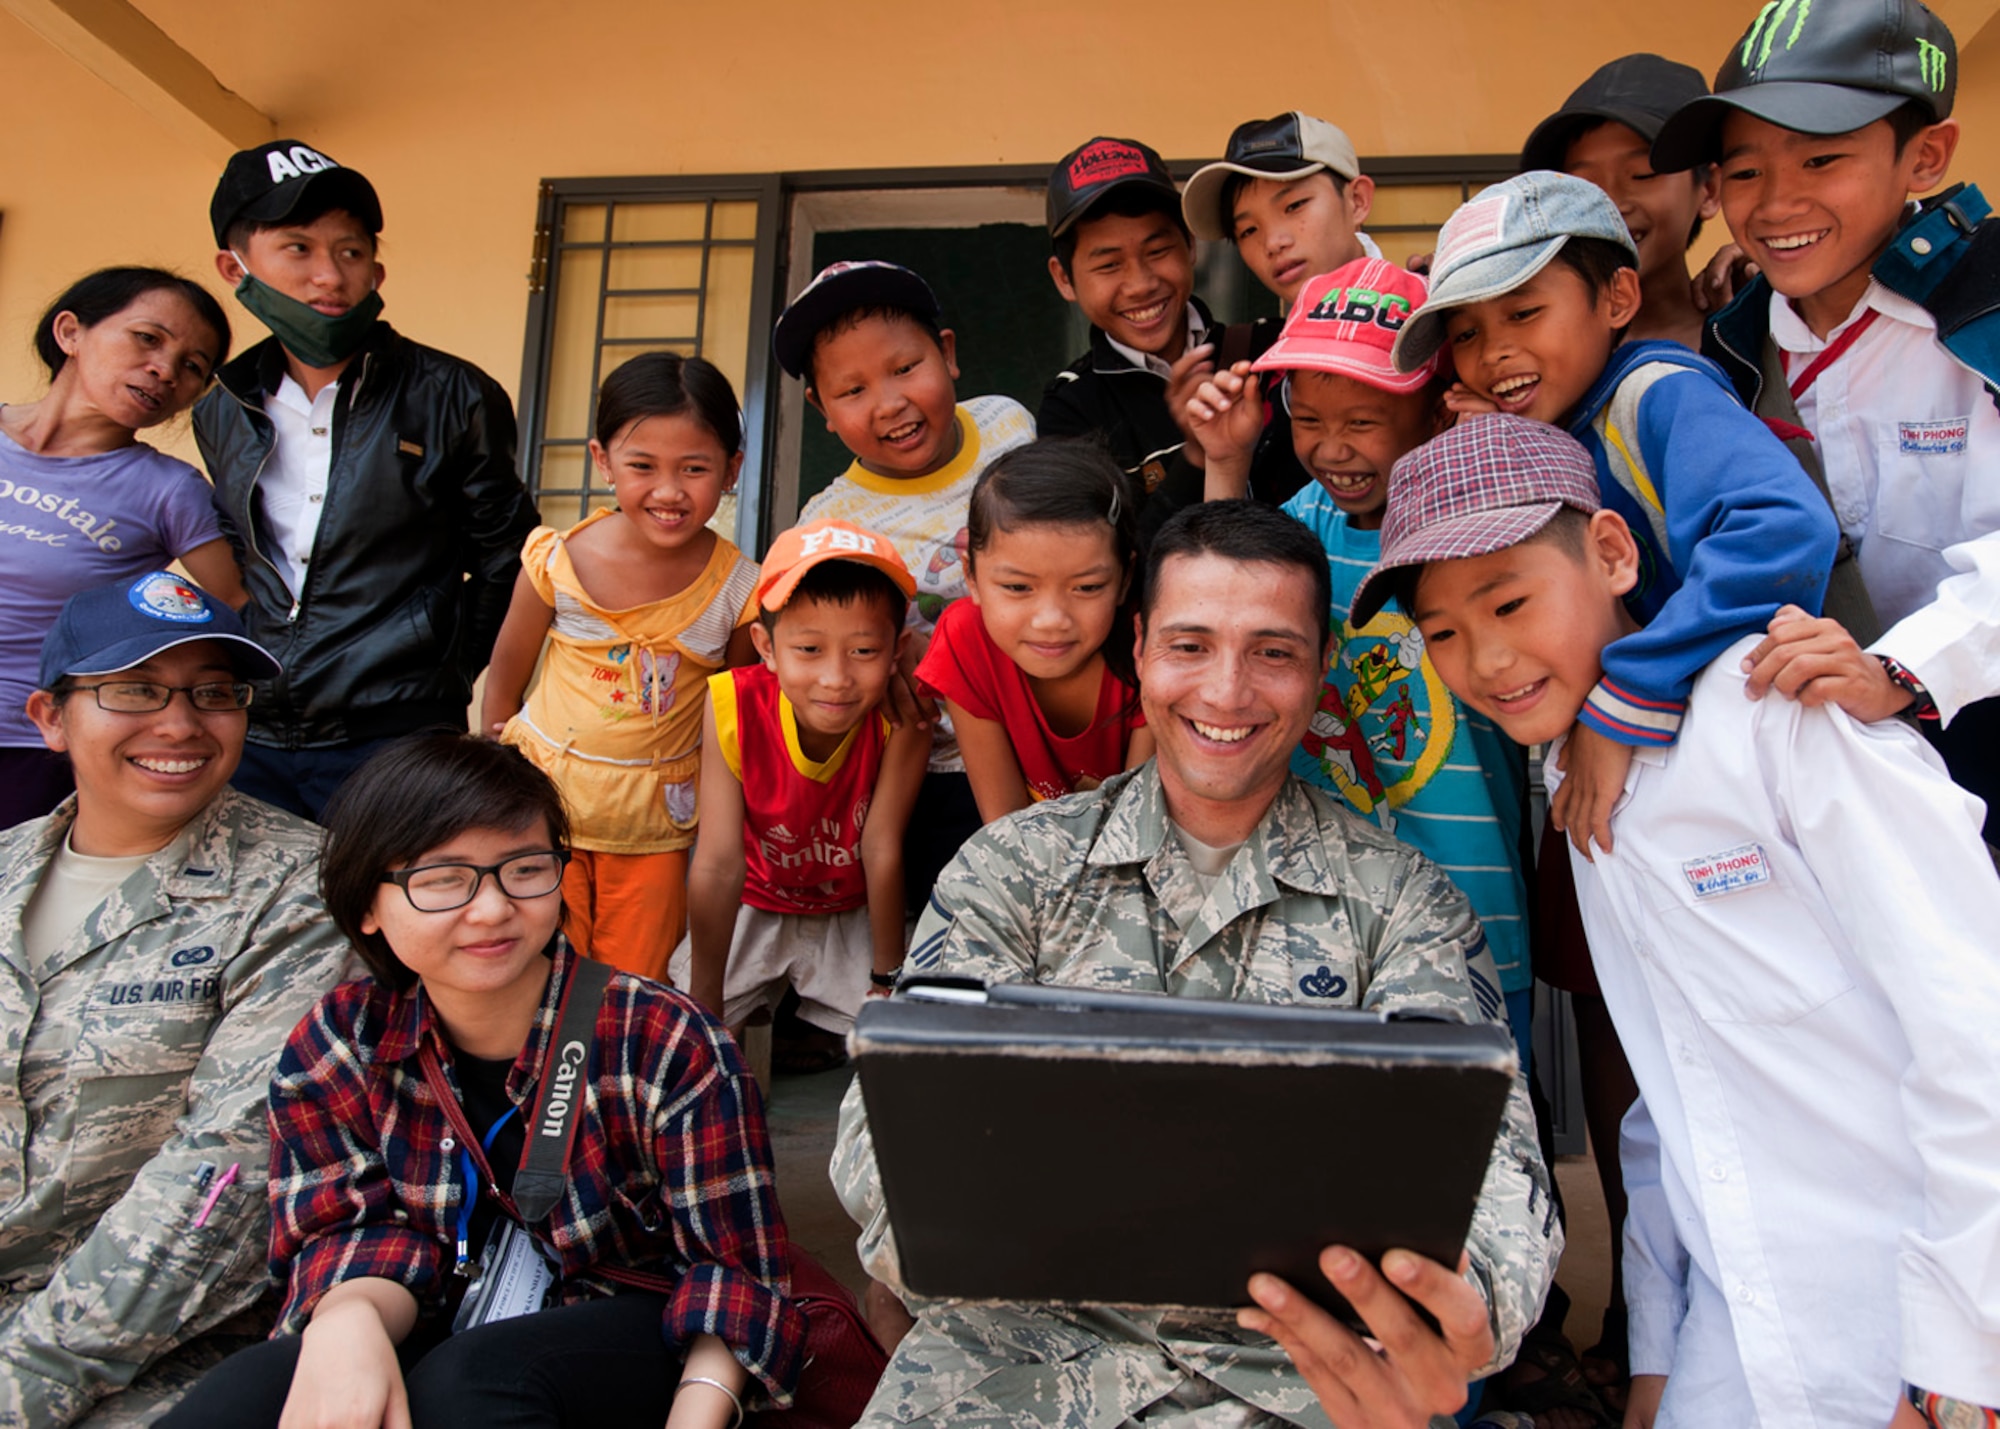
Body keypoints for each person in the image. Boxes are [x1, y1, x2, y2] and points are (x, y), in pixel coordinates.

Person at [831, 500, 1560, 1428]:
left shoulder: (1406, 903)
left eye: (1273, 651)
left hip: (1306, 1389)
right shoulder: (1011, 870)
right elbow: (889, 1135)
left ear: (1321, 667)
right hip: (1008, 1381)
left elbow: (1497, 1172)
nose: (1227, 691)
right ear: (1137, 651)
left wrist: (1464, 1306)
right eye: (1190, 645)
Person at [1354, 413, 2000, 1429]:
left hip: (1925, 1334)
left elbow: (1973, 1024)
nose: (1483, 657)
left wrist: (1964, 1364)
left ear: (1612, 552)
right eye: (1439, 633)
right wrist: (1653, 1349)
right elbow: (1671, 1085)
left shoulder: (1774, 712)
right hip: (1743, 1342)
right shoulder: (1580, 790)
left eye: (1510, 601)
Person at [161, 733, 806, 1429]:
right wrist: (347, 1318)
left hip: (636, 1336)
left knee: (475, 1384)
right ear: (368, 905)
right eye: (443, 878)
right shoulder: (339, 1042)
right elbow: (345, 1229)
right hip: (430, 1306)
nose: (493, 908)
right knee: (242, 1396)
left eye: (525, 869)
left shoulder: (665, 1039)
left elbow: (735, 1276)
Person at [1389, 169, 1840, 858]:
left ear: (1619, 297)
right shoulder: (1565, 429)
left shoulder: (1656, 396)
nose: (1495, 352)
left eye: (1523, 312)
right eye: (1467, 334)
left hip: (1765, 755)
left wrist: (1628, 697)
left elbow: (1782, 529)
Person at [0, 572, 348, 1426]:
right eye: (135, 689)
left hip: (142, 1363)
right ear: (50, 716)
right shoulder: (6, 867)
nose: (181, 722)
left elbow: (223, 1175)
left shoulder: (302, 891)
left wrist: (20, 1384)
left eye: (214, 693)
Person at [1650, 0, 2000, 845]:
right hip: (1849, 777)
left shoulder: (1987, 305)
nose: (1775, 204)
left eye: (1821, 158)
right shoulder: (1733, 347)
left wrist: (1902, 669)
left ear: (1926, 155)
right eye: (1743, 172)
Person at [1190, 260, 1533, 1067]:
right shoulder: (1296, 530)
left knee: (1483, 1135)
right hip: (1320, 922)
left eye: (1363, 421)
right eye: (1306, 419)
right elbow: (1217, 601)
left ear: (1435, 401)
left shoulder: (1482, 520)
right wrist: (1227, 465)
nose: (1330, 449)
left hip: (1474, 912)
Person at [195, 139, 539, 821]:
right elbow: (240, 555)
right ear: (235, 267)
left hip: (394, 733)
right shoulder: (221, 405)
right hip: (254, 729)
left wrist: (444, 679)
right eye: (297, 248)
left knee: (386, 921)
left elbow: (511, 559)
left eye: (349, 252)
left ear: (376, 270)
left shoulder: (453, 394)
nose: (329, 275)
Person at [481, 353, 759, 980]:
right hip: (539, 815)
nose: (669, 491)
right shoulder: (558, 562)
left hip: (655, 827)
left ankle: (616, 1081)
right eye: (642, 466)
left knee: (633, 982)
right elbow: (504, 678)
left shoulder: (738, 590)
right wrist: (492, 777)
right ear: (602, 461)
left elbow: (730, 719)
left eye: (695, 469)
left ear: (732, 469)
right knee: (535, 969)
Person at [774, 259, 1036, 909]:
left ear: (946, 354)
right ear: (822, 409)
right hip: (935, 771)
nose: (890, 403)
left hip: (1047, 745)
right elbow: (811, 654)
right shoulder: (831, 523)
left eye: (903, 368)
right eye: (853, 390)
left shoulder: (1010, 427)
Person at [0, 268, 247, 827]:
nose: (165, 371)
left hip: (27, 750)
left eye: (192, 368)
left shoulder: (169, 490)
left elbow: (241, 610)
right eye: (147, 338)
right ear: (70, 332)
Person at [675, 518, 930, 1049]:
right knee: (692, 1033)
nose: (836, 678)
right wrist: (705, 1000)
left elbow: (880, 846)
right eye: (809, 650)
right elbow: (719, 861)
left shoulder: (902, 716)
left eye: (863, 651)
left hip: (852, 907)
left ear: (897, 648)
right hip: (756, 900)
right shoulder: (731, 704)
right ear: (766, 647)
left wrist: (887, 980)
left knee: (895, 1041)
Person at [916, 440, 1153, 822]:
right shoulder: (966, 638)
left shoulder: (1150, 643)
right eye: (1018, 587)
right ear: (970, 576)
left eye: (1088, 588)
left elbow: (1138, 826)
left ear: (1125, 579)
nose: (1051, 620)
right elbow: (1004, 825)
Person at [1174, 112, 1385, 511]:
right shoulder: (1249, 369)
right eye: (1249, 231)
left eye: (1295, 205)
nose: (1274, 242)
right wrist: (1224, 459)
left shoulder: (1431, 326)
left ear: (1357, 200)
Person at [1036, 136, 1211, 545]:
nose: (1141, 284)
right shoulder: (1071, 409)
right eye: (1109, 264)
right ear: (1064, 278)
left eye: (1158, 250)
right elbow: (1104, 561)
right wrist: (1199, 456)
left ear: (1190, 246)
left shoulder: (1262, 352)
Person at [1521, 55, 1724, 351]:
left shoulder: (1753, 338)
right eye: (1584, 186)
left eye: (1642, 175)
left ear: (1709, 189)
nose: (1611, 204)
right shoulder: (1536, 352)